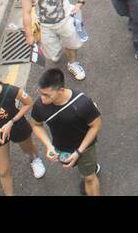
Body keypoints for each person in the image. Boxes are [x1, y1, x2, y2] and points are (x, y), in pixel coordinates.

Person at [0, 64, 45, 195]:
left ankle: (35, 158)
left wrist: (11, 122)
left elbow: (28, 102)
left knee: (28, 148)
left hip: (17, 126)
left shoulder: (11, 91)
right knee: (3, 171)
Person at [29, 67, 102, 196]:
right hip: (62, 147)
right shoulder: (40, 106)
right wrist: (49, 146)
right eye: (40, 93)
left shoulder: (82, 103)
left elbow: (95, 126)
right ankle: (90, 168)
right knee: (82, 169)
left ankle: (90, 171)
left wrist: (79, 152)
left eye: (47, 95)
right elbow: (36, 125)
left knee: (89, 178)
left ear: (61, 90)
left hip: (84, 148)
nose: (42, 99)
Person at [20, 0, 86, 81]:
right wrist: (29, 35)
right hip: (45, 27)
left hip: (66, 20)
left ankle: (72, 63)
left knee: (71, 45)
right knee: (52, 54)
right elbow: (26, 14)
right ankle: (58, 48)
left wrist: (80, 2)